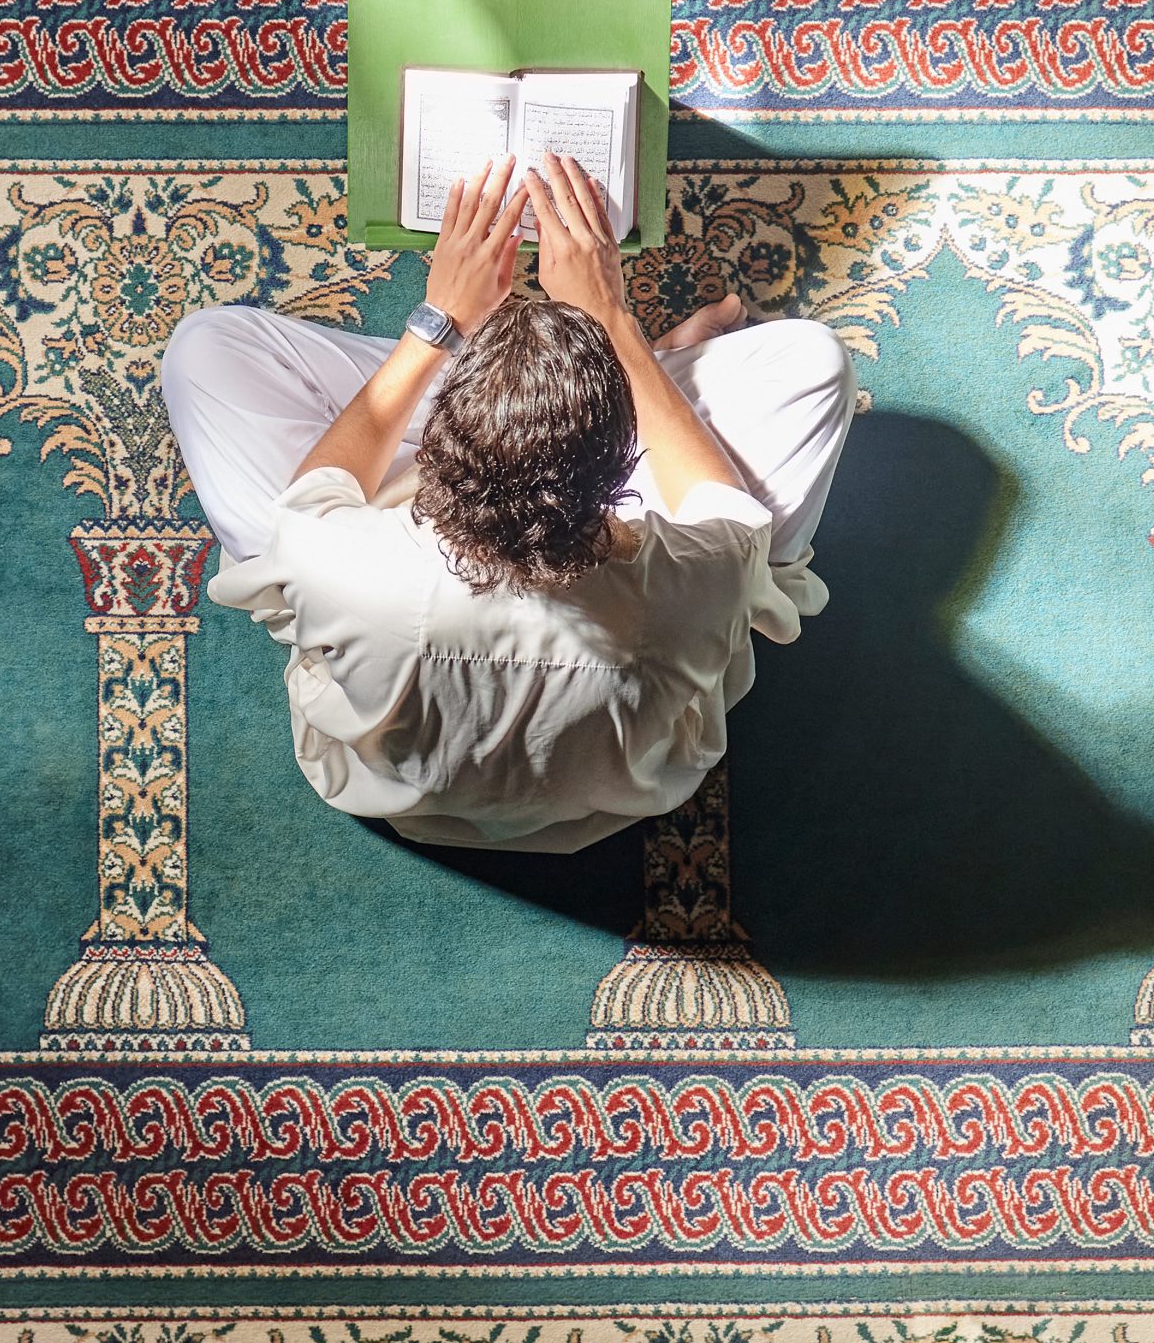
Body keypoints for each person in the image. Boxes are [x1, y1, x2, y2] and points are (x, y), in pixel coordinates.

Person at [159, 152, 854, 853]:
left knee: (204, 346)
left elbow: (315, 493)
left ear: (439, 450)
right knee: (813, 366)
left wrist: (439, 322)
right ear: (624, 470)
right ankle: (651, 380)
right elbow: (724, 512)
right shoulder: (707, 573)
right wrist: (613, 324)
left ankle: (560, 385)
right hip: (620, 782)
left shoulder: (334, 557)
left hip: (388, 772)